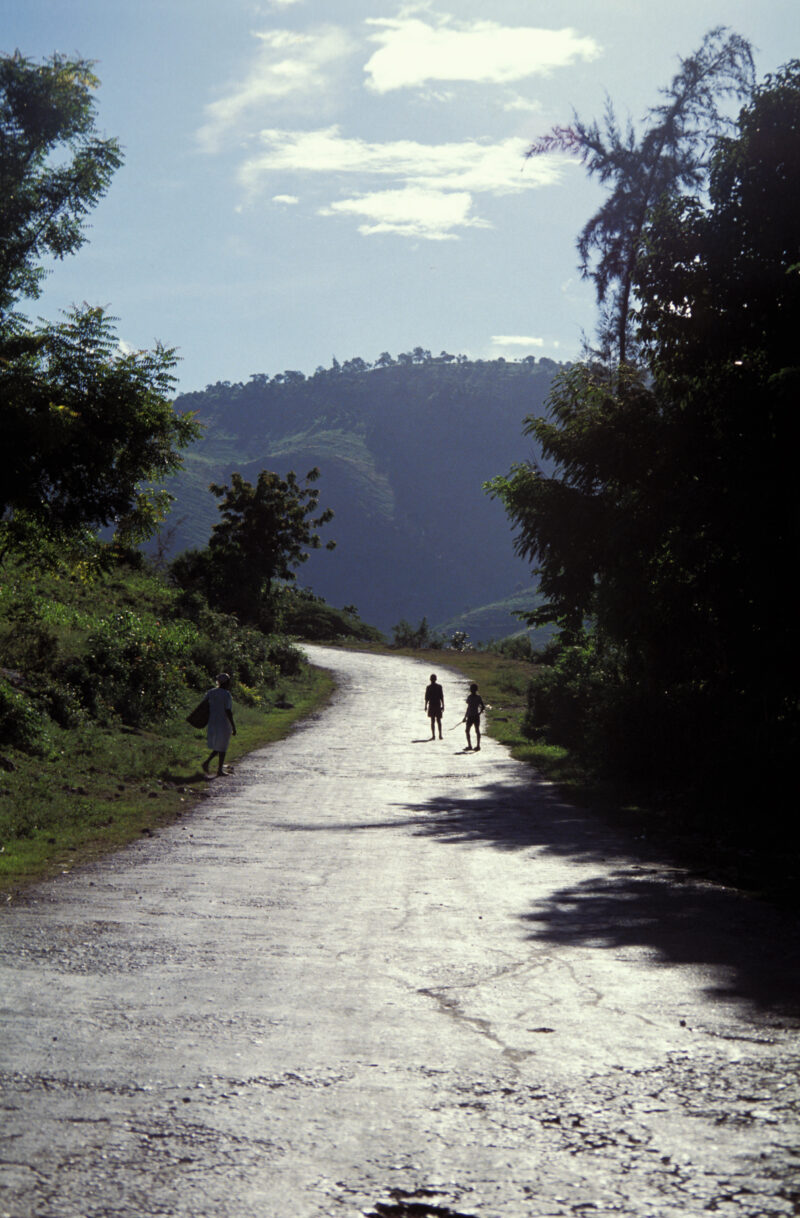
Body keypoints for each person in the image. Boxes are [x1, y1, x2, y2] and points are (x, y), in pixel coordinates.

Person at [201, 672, 237, 777]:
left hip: (212, 722)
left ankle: (210, 764)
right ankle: (216, 768)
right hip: (223, 723)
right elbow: (228, 711)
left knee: (218, 746)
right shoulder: (226, 694)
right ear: (226, 683)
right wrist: (233, 726)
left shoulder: (211, 692)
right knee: (222, 746)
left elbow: (204, 706)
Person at [464, 682, 485, 751]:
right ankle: (477, 746)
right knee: (476, 730)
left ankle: (470, 746)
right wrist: (479, 713)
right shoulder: (478, 697)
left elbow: (468, 708)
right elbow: (483, 706)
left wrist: (465, 717)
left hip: (471, 716)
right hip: (475, 716)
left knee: (468, 730)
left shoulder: (470, 697)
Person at [424, 673, 445, 739]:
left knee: (433, 721)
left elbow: (426, 698)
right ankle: (439, 735)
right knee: (438, 721)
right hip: (436, 705)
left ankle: (434, 735)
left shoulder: (429, 687)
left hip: (433, 705)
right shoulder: (439, 687)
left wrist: (425, 706)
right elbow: (441, 697)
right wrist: (443, 705)